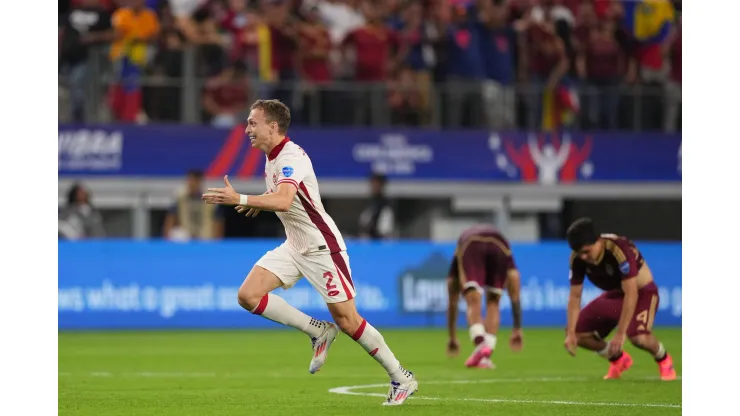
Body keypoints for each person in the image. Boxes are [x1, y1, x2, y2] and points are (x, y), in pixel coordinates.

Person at [201, 99, 418, 405]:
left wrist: (243, 198)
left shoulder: (290, 157)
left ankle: (401, 377)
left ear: (272, 127)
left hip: (321, 247)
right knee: (248, 295)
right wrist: (258, 200)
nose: (247, 128)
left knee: (348, 320)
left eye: (253, 123)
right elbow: (282, 196)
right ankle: (317, 331)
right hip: (294, 246)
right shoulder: (271, 158)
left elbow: (285, 200)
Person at [564, 218, 677, 381]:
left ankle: (664, 360)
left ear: (598, 241)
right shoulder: (577, 259)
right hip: (616, 295)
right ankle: (619, 360)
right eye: (579, 252)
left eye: (586, 251)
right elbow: (575, 296)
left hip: (642, 292)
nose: (583, 256)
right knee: (576, 332)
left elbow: (631, 293)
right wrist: (571, 334)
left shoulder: (619, 249)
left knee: (638, 338)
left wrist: (620, 333)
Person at [445, 224, 523, 369]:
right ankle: (485, 355)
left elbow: (452, 300)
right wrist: (517, 328)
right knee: (494, 302)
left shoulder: (460, 250)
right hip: (500, 246)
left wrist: (452, 337)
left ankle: (480, 343)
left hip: (471, 243)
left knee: (473, 301)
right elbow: (515, 284)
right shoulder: (503, 244)